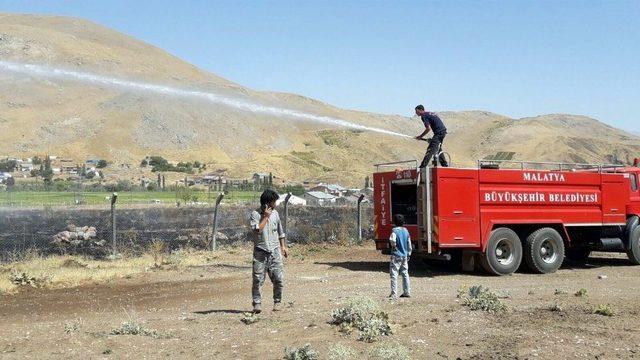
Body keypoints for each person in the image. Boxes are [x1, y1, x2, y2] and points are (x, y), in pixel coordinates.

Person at [249, 189, 289, 313]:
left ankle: (277, 302)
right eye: (273, 201)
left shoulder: (276, 214)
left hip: (275, 251)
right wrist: (265, 217)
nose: (275, 204)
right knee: (257, 280)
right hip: (260, 252)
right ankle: (257, 304)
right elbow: (257, 230)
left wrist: (283, 246)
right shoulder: (255, 214)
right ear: (267, 203)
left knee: (278, 278)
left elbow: (280, 232)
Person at [389, 214, 412, 299]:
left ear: (394, 222)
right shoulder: (406, 231)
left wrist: (394, 247)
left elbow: (392, 240)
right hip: (404, 255)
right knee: (405, 273)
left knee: (394, 274)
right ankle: (407, 292)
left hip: (396, 255)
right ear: (403, 222)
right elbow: (409, 243)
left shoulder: (394, 231)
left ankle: (394, 293)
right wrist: (409, 253)